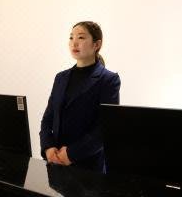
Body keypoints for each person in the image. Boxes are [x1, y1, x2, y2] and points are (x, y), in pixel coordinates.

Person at [39, 21, 121, 173]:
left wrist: (70, 154)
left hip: (88, 169)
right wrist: (48, 148)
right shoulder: (60, 78)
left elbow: (105, 129)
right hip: (56, 164)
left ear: (96, 44)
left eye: (81, 37)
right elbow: (47, 119)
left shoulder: (108, 80)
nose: (74, 43)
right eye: (71, 37)